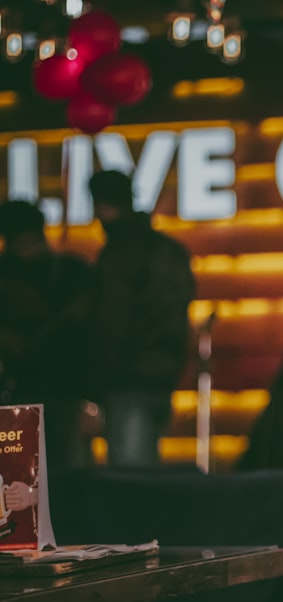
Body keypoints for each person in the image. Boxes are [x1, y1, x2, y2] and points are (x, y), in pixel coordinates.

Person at [88, 170, 197, 467]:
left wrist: (99, 372)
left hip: (127, 378)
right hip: (161, 376)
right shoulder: (169, 250)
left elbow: (114, 321)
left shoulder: (120, 254)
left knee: (131, 482)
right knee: (143, 479)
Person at [0, 199, 93, 470]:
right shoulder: (71, 271)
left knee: (32, 480)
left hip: (56, 389)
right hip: (31, 389)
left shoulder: (70, 272)